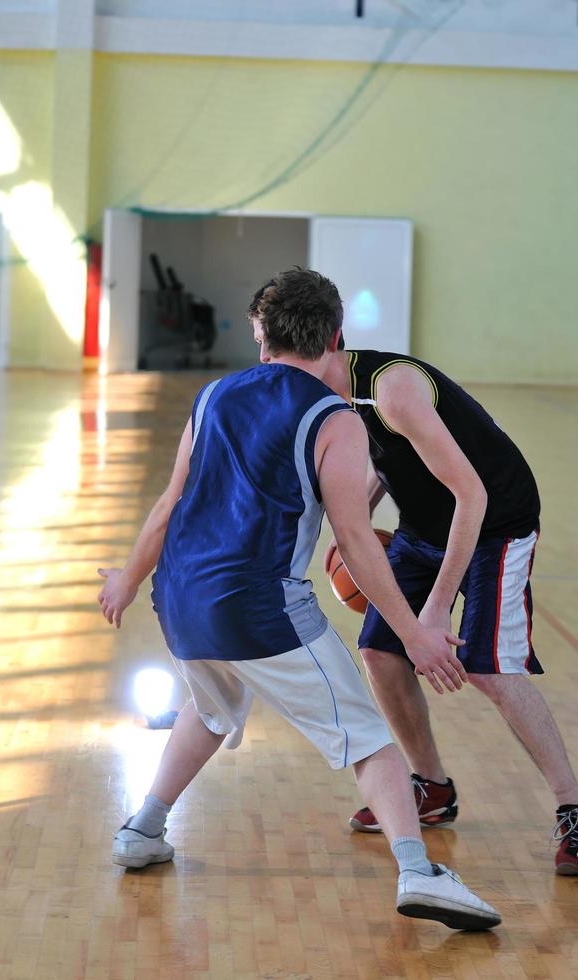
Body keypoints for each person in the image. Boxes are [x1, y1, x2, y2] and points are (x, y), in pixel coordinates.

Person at [97, 269, 500, 929]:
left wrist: (127, 579)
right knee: (370, 741)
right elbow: (355, 542)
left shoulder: (213, 397)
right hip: (260, 609)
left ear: (261, 338)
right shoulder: (333, 418)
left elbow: (169, 505)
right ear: (335, 336)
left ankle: (142, 829)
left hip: (179, 600)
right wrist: (411, 631)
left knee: (211, 707)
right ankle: (418, 871)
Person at [318, 345, 578, 875]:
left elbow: (473, 498)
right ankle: (432, 786)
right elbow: (388, 454)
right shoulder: (335, 392)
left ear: (329, 342)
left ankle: (573, 806)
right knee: (379, 652)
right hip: (424, 525)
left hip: (495, 525)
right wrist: (360, 519)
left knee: (490, 669)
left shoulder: (393, 388)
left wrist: (435, 611)